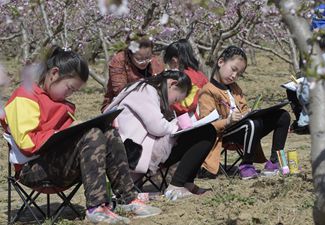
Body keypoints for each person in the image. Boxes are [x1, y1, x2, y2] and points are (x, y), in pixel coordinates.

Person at [0, 46, 161, 224]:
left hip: (57, 164)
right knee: (91, 134)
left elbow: (67, 141)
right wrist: (68, 132)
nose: (70, 94)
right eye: (69, 88)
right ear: (54, 73)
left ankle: (127, 199)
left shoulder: (60, 102)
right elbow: (28, 143)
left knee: (107, 132)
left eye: (73, 91)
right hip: (33, 169)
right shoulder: (26, 96)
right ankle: (96, 207)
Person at [104, 70, 217, 199]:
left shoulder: (147, 90)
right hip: (135, 152)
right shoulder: (145, 91)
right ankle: (177, 185)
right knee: (205, 132)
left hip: (139, 149)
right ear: (172, 84)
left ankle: (186, 183)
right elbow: (157, 126)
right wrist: (178, 125)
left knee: (206, 132)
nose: (173, 104)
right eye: (175, 99)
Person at [198, 45, 291, 180]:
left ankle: (274, 161)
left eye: (239, 74)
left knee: (283, 116)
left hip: (247, 126)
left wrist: (249, 112)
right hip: (226, 133)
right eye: (233, 69)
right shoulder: (208, 90)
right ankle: (246, 164)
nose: (234, 76)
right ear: (221, 62)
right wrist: (228, 120)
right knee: (252, 123)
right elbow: (207, 125)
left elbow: (244, 108)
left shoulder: (235, 88)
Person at [101, 32, 164, 112]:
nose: (144, 62)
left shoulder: (157, 62)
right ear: (130, 54)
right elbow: (120, 91)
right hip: (122, 104)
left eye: (148, 58)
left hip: (153, 104)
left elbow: (162, 87)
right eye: (139, 59)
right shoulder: (119, 61)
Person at [163, 39, 208, 119]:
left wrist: (169, 103)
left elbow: (188, 104)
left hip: (195, 120)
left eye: (169, 63)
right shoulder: (199, 74)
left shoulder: (186, 77)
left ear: (174, 61)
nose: (169, 67)